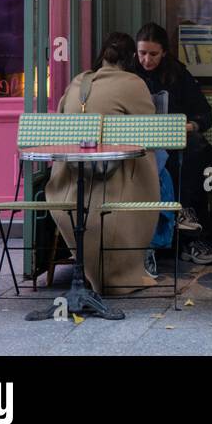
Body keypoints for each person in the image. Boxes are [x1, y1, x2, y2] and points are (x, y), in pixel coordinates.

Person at [47, 32, 158, 294]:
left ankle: (87, 272)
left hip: (69, 185)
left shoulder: (77, 82)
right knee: (157, 162)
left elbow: (62, 118)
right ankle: (147, 256)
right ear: (131, 58)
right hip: (113, 182)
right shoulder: (133, 83)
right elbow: (151, 131)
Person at [134, 22, 212, 267]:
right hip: (143, 143)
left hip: (177, 144)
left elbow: (205, 115)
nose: (147, 60)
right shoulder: (130, 74)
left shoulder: (177, 74)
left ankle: (190, 231)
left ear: (164, 53)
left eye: (153, 54)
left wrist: (185, 126)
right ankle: (169, 232)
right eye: (142, 53)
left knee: (198, 155)